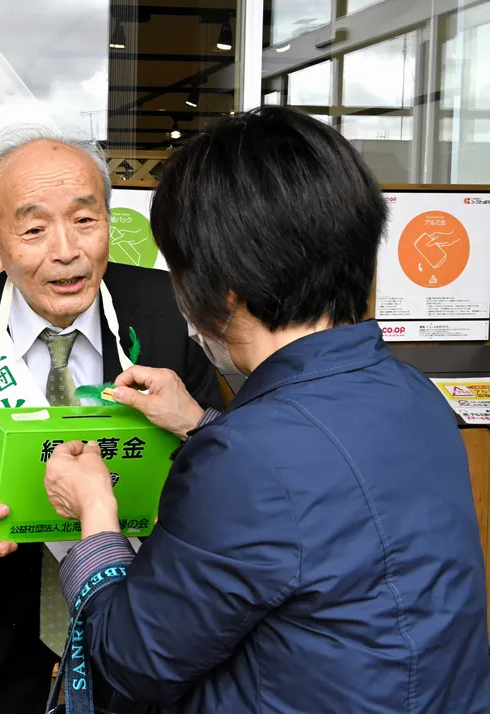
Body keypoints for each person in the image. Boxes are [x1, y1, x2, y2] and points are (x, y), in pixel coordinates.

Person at [44, 105, 490, 712]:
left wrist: (95, 516)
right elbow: (318, 492)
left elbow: (132, 657)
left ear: (224, 288)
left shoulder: (247, 457)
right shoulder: (413, 393)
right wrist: (197, 422)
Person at [0, 125, 222, 714]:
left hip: (155, 626)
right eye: (34, 229)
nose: (67, 251)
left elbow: (227, 460)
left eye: (86, 221)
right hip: (1, 640)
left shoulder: (172, 310)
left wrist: (194, 425)